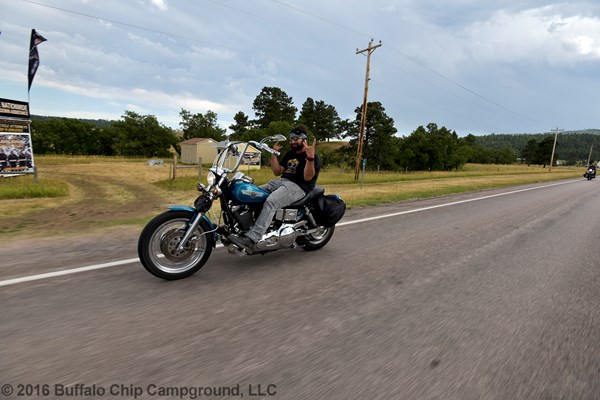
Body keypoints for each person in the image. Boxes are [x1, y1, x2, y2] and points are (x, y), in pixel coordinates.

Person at [229, 125, 320, 249]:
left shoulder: (312, 155)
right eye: (291, 138)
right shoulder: (290, 154)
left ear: (304, 139)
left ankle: (252, 238)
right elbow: (278, 171)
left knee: (271, 202)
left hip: (299, 186)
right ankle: (242, 228)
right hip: (282, 181)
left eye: (295, 138)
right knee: (250, 193)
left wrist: (310, 158)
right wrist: (273, 154)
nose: (292, 141)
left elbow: (308, 177)